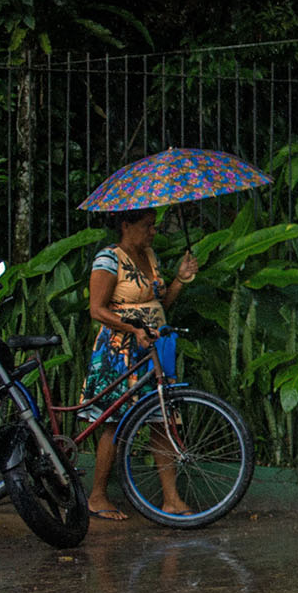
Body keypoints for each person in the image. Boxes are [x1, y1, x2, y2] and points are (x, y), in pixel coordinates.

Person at [84, 208, 197, 520]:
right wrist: (133, 328)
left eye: (154, 226)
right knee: (113, 422)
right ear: (125, 225)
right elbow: (97, 309)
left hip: (155, 348)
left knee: (163, 419)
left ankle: (171, 499)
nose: (153, 232)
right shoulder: (109, 258)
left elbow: (159, 303)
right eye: (147, 226)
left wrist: (180, 280)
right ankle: (97, 495)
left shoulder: (150, 255)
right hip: (121, 351)